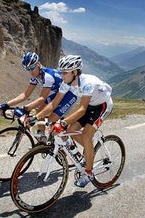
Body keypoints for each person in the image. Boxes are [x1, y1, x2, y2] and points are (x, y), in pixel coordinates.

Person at [43, 55, 113, 188]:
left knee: (86, 135)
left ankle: (89, 172)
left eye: (65, 72)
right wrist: (38, 118)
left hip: (103, 105)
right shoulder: (66, 82)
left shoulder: (88, 83)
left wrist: (62, 122)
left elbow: (81, 109)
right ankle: (88, 151)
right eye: (61, 72)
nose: (62, 75)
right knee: (69, 131)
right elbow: (54, 104)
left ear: (75, 72)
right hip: (89, 106)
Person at [0, 52, 77, 138]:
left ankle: (66, 145)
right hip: (56, 93)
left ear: (38, 64)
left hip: (69, 95)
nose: (31, 72)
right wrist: (7, 104)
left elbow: (41, 99)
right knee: (39, 112)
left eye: (32, 68)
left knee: (51, 121)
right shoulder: (36, 76)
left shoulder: (48, 76)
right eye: (28, 69)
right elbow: (25, 94)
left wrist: (25, 108)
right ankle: (43, 138)